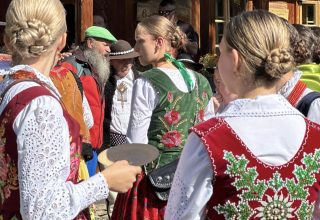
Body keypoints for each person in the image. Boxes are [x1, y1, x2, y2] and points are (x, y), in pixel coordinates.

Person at [165, 10, 320, 219]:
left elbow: (181, 215)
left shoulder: (209, 138)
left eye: (221, 53)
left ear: (235, 60)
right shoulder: (314, 134)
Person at [0, 0, 141, 219]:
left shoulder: (10, 86)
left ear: (8, 40)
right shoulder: (41, 105)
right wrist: (105, 181)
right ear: (62, 40)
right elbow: (42, 211)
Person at [111, 15, 213, 220]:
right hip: (193, 179)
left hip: (154, 183)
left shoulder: (147, 81)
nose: (136, 48)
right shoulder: (201, 81)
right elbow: (208, 132)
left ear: (159, 42)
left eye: (140, 41)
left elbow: (136, 143)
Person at [60, 26, 117, 176]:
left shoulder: (96, 67)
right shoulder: (70, 65)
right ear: (91, 43)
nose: (109, 50)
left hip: (94, 144)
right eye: (105, 45)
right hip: (78, 145)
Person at [104, 40, 140, 148]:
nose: (125, 64)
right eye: (120, 61)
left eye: (128, 60)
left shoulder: (139, 80)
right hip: (111, 140)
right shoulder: (106, 81)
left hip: (134, 139)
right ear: (111, 61)